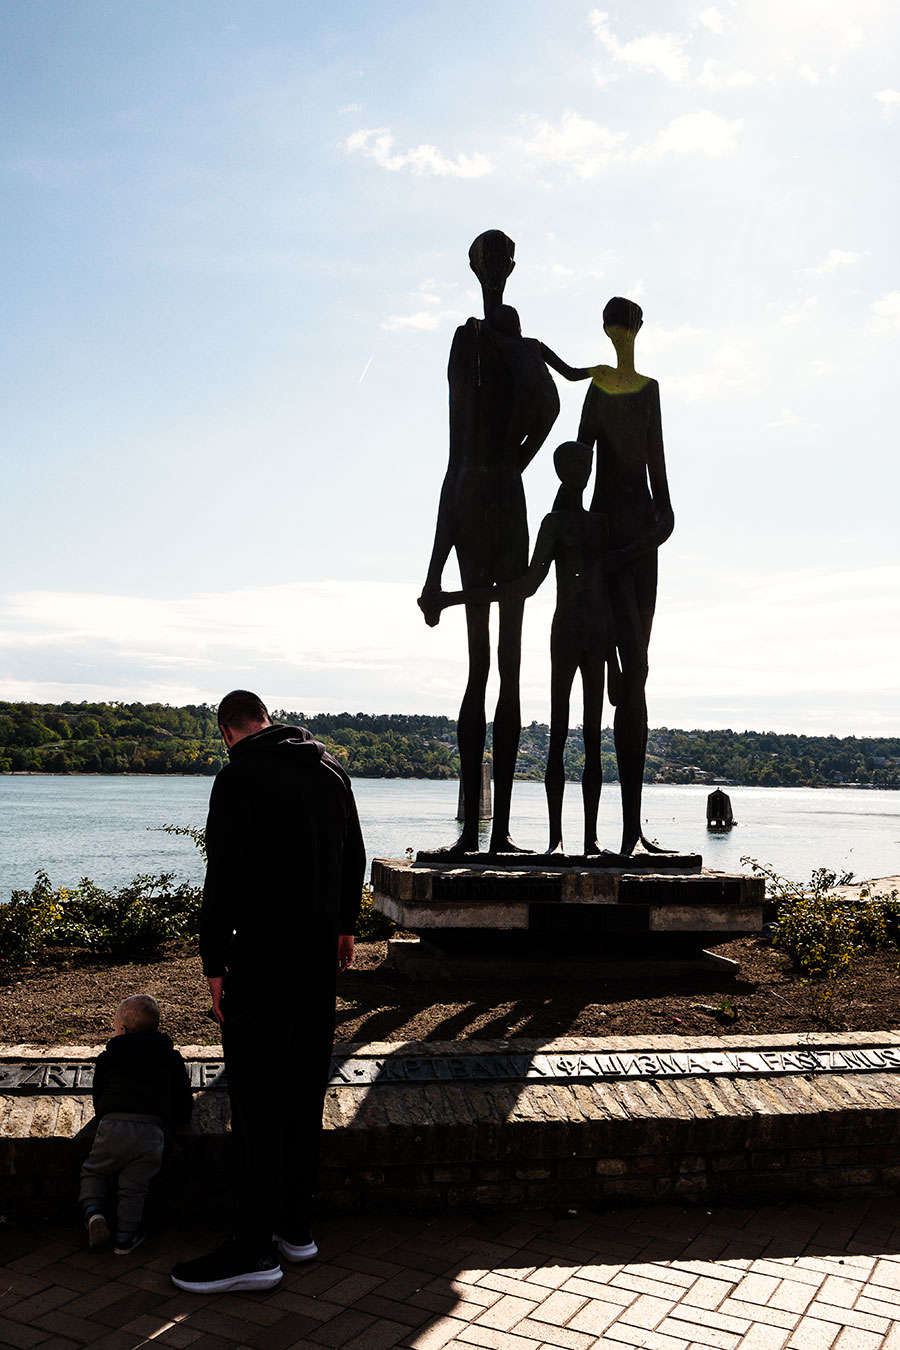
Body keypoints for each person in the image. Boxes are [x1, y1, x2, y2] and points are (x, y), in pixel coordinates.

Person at [169, 690, 364, 1295]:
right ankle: (295, 1227)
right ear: (266, 719)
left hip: (261, 958)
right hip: (317, 961)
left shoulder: (239, 777)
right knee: (303, 1090)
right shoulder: (330, 768)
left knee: (254, 1101)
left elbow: (221, 876)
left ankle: (253, 1249)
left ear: (228, 731)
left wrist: (213, 962)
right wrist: (344, 926)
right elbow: (352, 854)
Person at [418, 231, 589, 855]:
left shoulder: (507, 336)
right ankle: (473, 831)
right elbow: (455, 450)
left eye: (501, 260)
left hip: (496, 494)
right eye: (485, 260)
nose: (493, 269)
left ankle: (501, 833)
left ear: (512, 267)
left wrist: (517, 461)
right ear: (473, 266)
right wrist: (434, 568)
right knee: (479, 665)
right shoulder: (466, 341)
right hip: (474, 496)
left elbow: (546, 403)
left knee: (510, 667)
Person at [429, 442, 613, 855]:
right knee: (559, 735)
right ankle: (556, 841)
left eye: (584, 465)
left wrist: (616, 660)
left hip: (598, 634)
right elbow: (527, 586)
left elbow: (611, 588)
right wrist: (457, 597)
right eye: (573, 466)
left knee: (594, 739)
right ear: (564, 472)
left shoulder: (601, 525)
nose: (581, 473)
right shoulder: (553, 524)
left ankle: (591, 841)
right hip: (565, 632)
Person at [576, 297, 675, 856]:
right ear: (609, 330)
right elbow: (578, 462)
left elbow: (664, 492)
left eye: (628, 325)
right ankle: (596, 834)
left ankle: (632, 829)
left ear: (637, 329)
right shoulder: (595, 390)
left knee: (634, 676)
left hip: (636, 547)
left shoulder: (650, 391)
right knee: (609, 676)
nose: (622, 335)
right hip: (603, 538)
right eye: (616, 326)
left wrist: (638, 545)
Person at [80, 993, 192, 1254]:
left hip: (112, 1126)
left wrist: (104, 1115)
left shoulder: (108, 1057)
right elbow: (182, 1096)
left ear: (122, 1029)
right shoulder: (170, 1057)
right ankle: (125, 1237)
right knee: (134, 1187)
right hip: (151, 1132)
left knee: (94, 1171)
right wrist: (179, 1121)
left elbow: (99, 1094)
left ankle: (94, 1212)